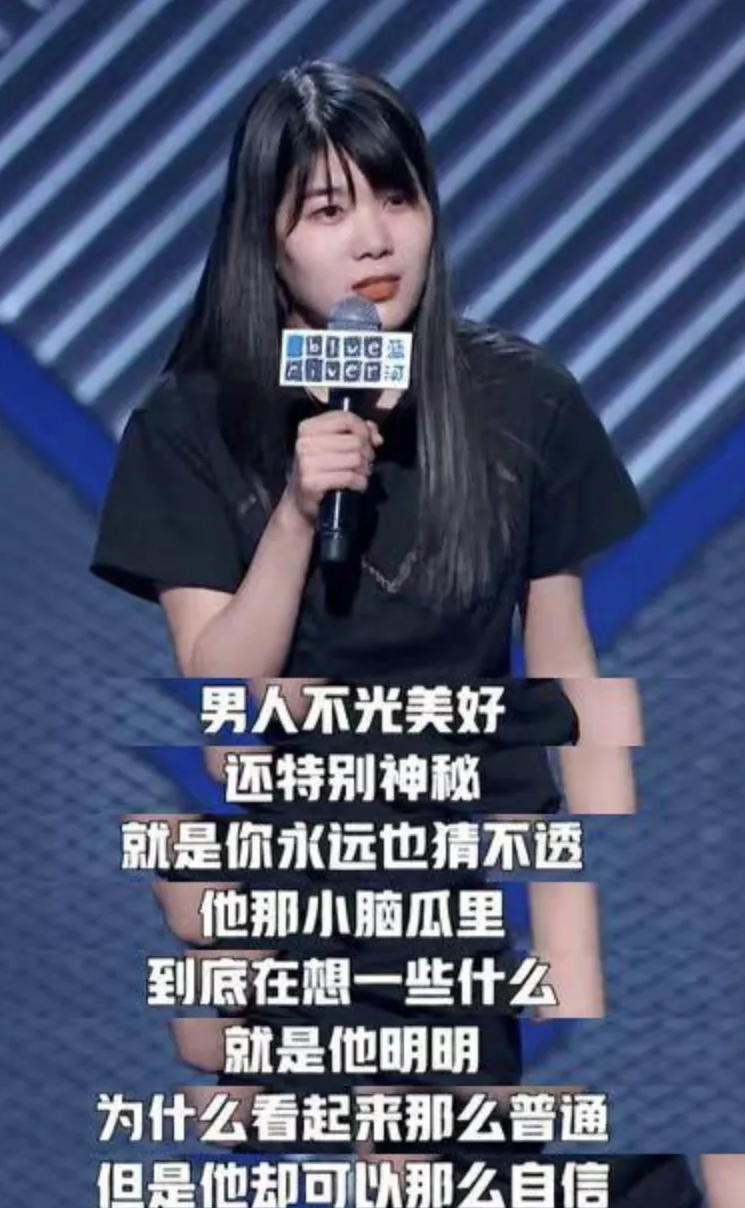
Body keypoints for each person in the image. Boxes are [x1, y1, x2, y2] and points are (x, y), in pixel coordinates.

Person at [91, 60, 708, 1206]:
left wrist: (578, 873)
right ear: (265, 238)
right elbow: (222, 702)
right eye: (328, 210)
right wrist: (295, 513)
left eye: (395, 196)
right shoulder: (193, 422)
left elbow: (558, 659)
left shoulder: (520, 398)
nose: (374, 238)